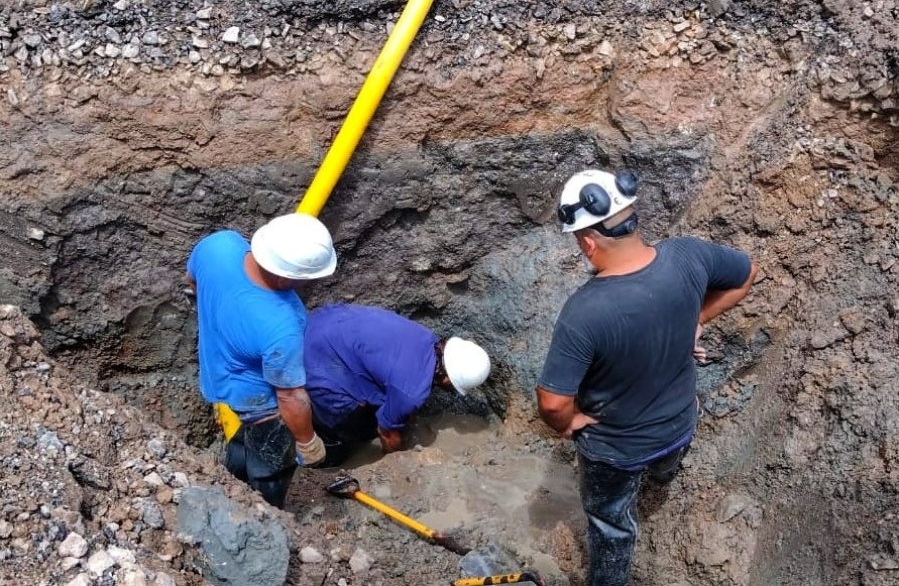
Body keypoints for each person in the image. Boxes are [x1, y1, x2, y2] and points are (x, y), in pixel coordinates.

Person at [536, 169, 756, 586]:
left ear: (587, 243)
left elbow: (552, 402)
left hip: (617, 452)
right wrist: (698, 319)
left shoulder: (584, 312)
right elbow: (745, 275)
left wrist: (568, 423)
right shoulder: (688, 255)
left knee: (611, 522)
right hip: (679, 424)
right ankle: (662, 477)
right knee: (666, 462)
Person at [185, 212, 338, 508]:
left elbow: (191, 282)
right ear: (286, 276)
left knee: (243, 441)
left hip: (218, 375)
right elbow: (291, 396)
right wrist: (307, 442)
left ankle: (230, 485)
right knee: (272, 463)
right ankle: (265, 510)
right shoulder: (281, 325)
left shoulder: (219, 245)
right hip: (260, 403)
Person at [301, 303, 491, 466]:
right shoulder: (412, 392)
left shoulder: (427, 338)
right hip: (314, 359)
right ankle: (324, 461)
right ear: (448, 380)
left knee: (374, 413)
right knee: (346, 430)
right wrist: (396, 460)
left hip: (323, 320)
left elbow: (399, 382)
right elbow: (387, 433)